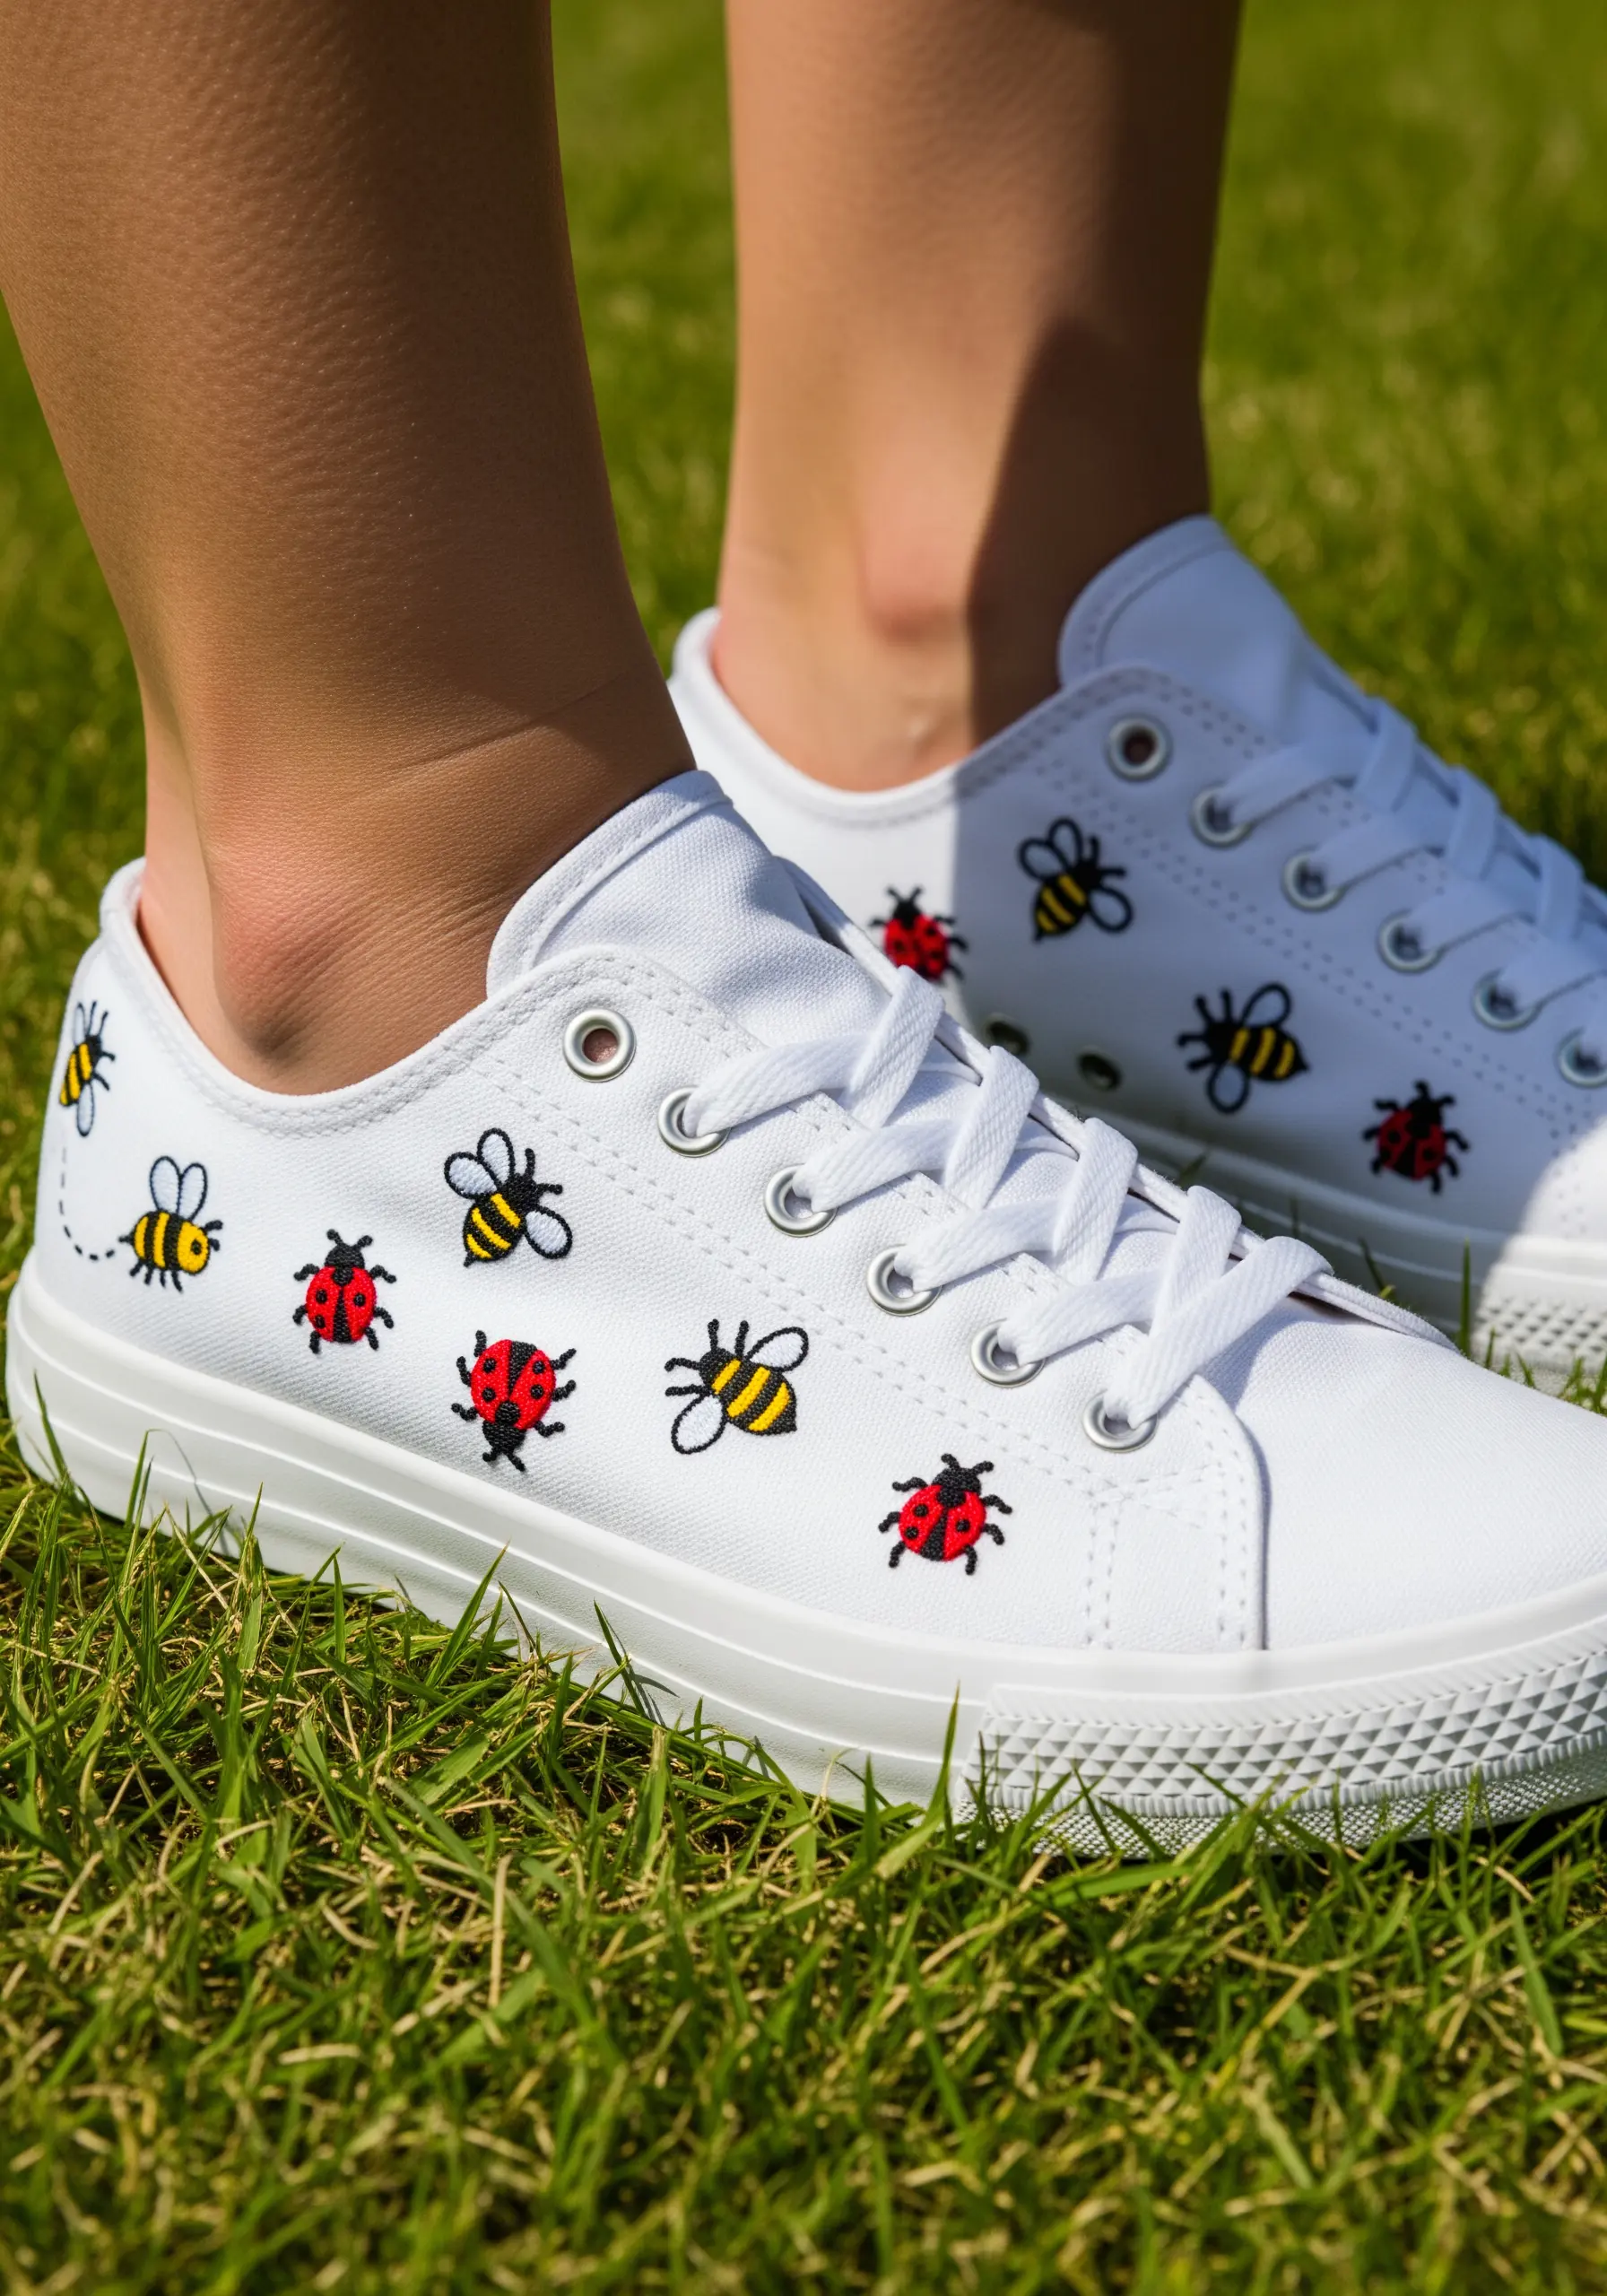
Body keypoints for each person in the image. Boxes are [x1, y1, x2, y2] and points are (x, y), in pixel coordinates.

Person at [6, 0, 1607, 1847]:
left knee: (954, 566)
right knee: (397, 810)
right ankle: (368, 915)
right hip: (359, 1025)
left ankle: (941, 658)